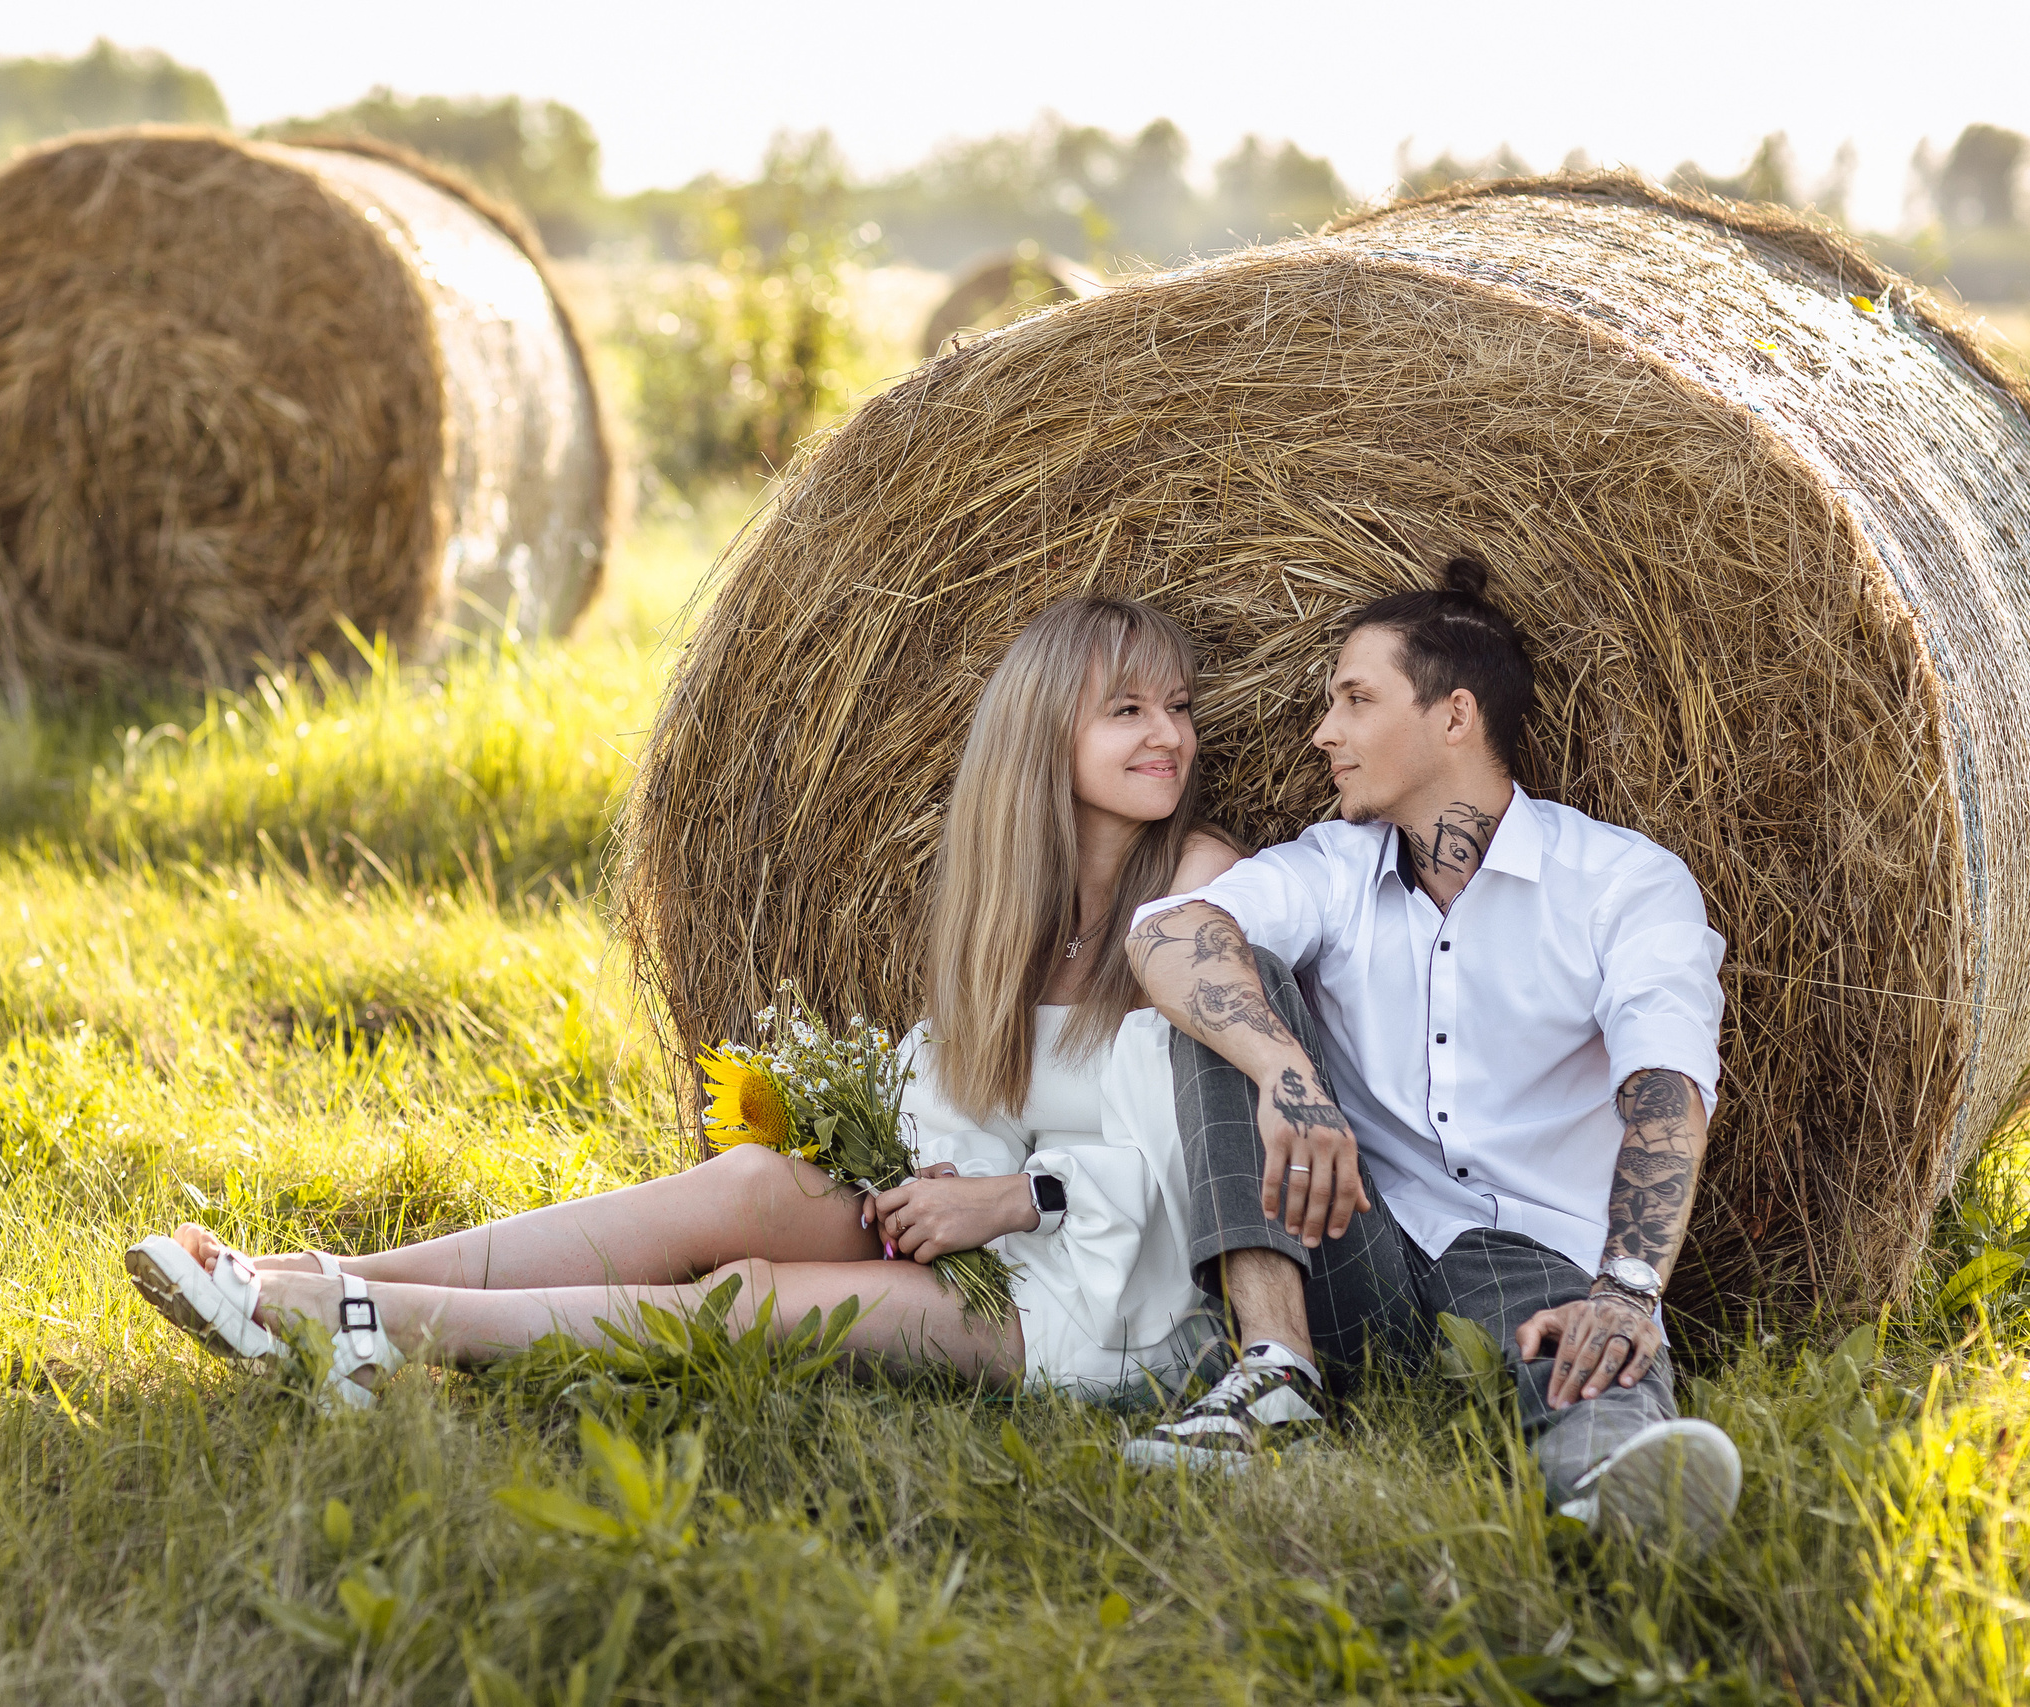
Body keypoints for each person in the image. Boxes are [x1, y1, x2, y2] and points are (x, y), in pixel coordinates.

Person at [122, 597, 1238, 1403]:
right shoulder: (1008, 912)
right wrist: (943, 1175)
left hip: (1114, 1299)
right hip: (999, 1232)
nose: (1168, 736)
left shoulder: (1200, 881)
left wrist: (1009, 1199)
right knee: (751, 1183)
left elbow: (1199, 1146)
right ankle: (307, 1280)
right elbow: (971, 1100)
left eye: (1176, 708)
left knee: (756, 1298)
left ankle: (374, 1329)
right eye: (1126, 710)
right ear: (1044, 732)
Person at [1117, 559, 1743, 1551]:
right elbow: (1163, 934)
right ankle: (1276, 1371)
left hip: (1527, 1252)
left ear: (1454, 718)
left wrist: (1624, 1286)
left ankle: (1618, 1497)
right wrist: (1287, 1075)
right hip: (1348, 1239)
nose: (1324, 732)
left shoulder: (1622, 882)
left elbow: (1664, 1088)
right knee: (1228, 978)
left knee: (1577, 1348)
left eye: (1355, 700)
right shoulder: (1329, 867)